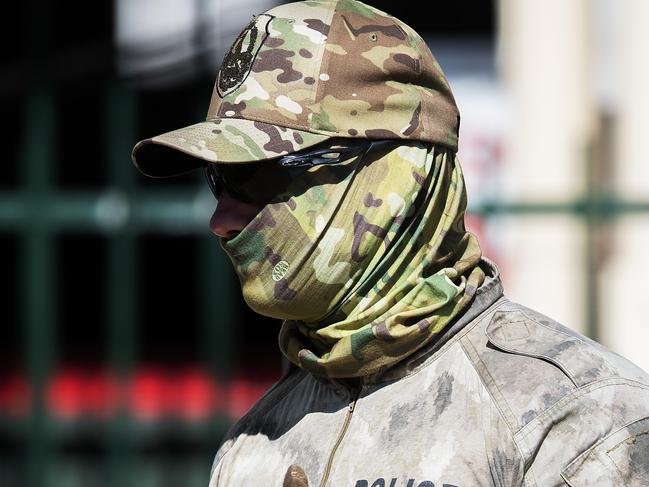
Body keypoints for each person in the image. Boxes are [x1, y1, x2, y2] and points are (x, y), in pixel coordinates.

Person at [131, 0, 649, 485]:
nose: (222, 218)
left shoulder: (575, 422)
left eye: (258, 175)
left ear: (396, 175)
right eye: (219, 179)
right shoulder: (249, 447)